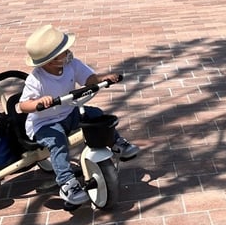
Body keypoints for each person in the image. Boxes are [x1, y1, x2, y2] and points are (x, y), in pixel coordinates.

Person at [19, 24, 138, 206]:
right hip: (44, 123)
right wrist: (39, 103)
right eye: (63, 51)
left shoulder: (72, 64)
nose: (68, 52)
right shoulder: (36, 78)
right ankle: (67, 183)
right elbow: (23, 105)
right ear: (50, 61)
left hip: (69, 112)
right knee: (57, 141)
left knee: (96, 114)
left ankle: (116, 143)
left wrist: (103, 79)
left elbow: (89, 79)